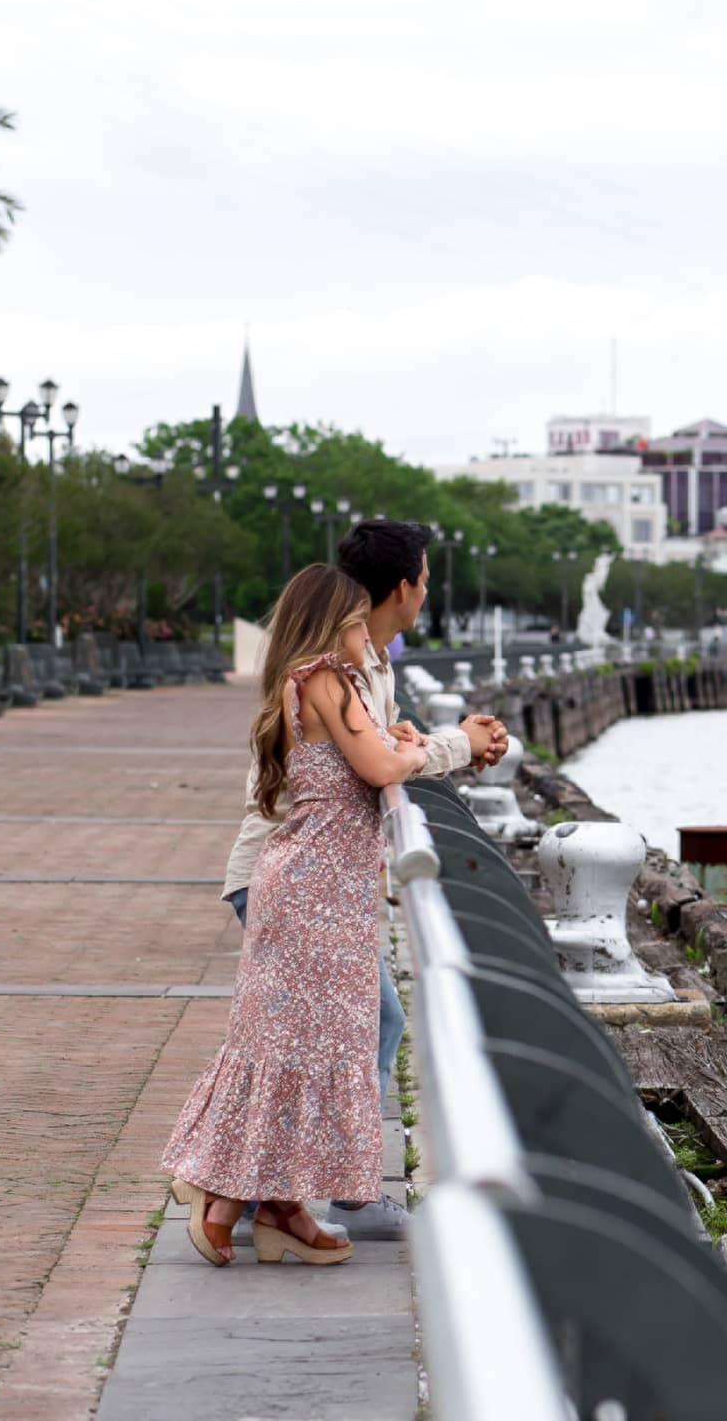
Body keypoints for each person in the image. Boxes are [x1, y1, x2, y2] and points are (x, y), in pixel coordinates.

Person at [219, 519, 507, 1239]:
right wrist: (456, 745)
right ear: (403, 588)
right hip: (291, 875)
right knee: (364, 1023)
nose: (427, 594)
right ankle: (321, 1193)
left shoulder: (364, 668)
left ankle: (269, 1194)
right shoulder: (337, 672)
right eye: (427, 581)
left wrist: (426, 743)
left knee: (325, 1031)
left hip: (311, 876)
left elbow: (381, 750)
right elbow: (377, 764)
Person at [164, 564, 426, 1266]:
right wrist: (420, 746)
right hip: (314, 889)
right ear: (334, 616)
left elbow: (364, 757)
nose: (363, 630)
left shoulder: (305, 681)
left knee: (296, 1043)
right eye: (354, 617)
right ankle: (227, 1204)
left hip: (317, 886)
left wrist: (394, 742)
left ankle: (276, 1207)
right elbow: (380, 770)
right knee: (299, 1047)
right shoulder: (326, 681)